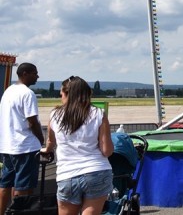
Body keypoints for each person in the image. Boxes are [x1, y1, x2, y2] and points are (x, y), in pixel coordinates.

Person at [42, 76, 114, 215]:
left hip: (67, 173)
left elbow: (51, 142)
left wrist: (47, 150)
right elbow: (106, 151)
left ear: (67, 94)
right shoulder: (98, 113)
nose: (60, 97)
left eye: (61, 94)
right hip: (96, 170)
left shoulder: (54, 115)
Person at [0, 62, 45, 215]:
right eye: (34, 73)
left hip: (8, 146)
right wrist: (41, 140)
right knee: (24, 186)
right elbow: (32, 121)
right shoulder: (27, 94)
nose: (37, 76)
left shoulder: (9, 91)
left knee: (6, 183)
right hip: (25, 147)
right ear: (25, 73)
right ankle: (18, 212)